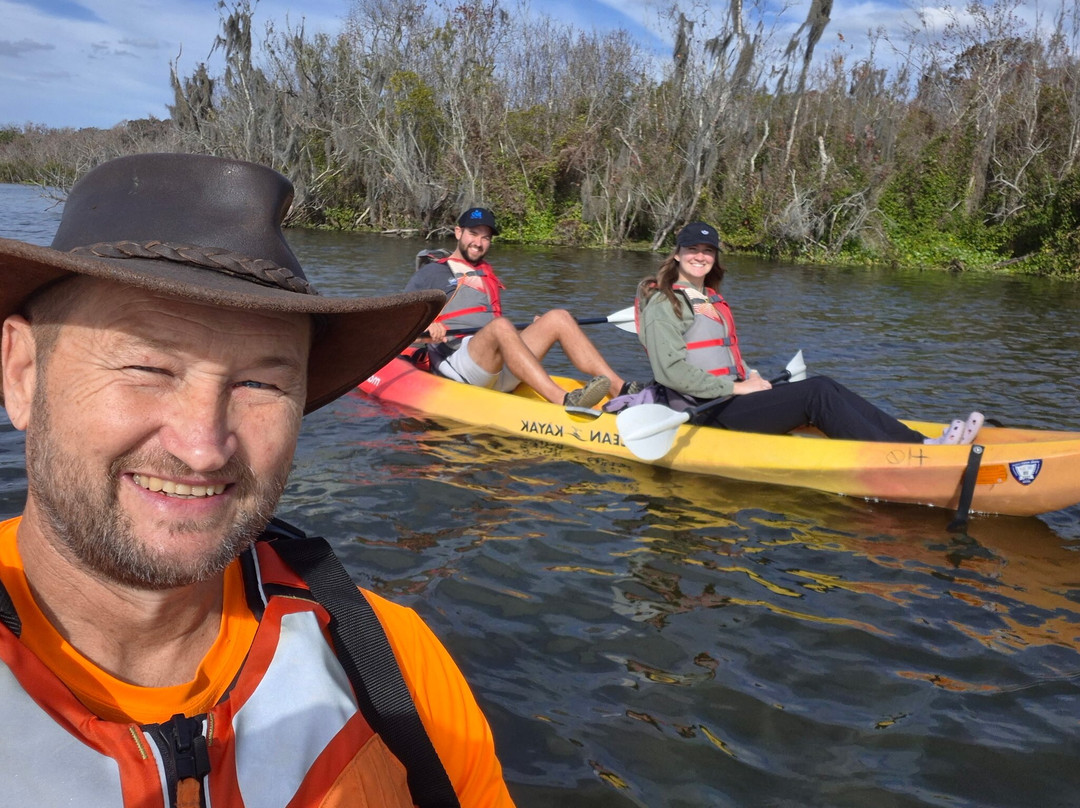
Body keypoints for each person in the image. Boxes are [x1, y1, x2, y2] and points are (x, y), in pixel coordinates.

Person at [0, 154, 515, 807]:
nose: (203, 447)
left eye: (261, 382)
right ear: (21, 372)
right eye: (147, 366)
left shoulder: (397, 672)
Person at [635, 221, 983, 445]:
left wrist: (749, 373)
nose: (700, 256)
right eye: (693, 250)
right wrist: (739, 387)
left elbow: (717, 354)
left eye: (707, 251)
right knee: (815, 393)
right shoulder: (666, 304)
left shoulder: (705, 298)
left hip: (727, 400)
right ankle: (903, 453)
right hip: (705, 413)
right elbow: (672, 372)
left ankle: (920, 443)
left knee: (826, 384)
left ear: (715, 258)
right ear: (678, 255)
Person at [405, 207, 639, 409]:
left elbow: (493, 333)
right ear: (458, 232)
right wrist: (426, 327)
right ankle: (563, 401)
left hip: (495, 367)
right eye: (473, 234)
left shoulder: (486, 273)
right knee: (501, 326)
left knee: (558, 317)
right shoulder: (432, 273)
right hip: (459, 367)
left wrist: (530, 333)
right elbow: (400, 323)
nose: (478, 242)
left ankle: (621, 390)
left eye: (485, 237)